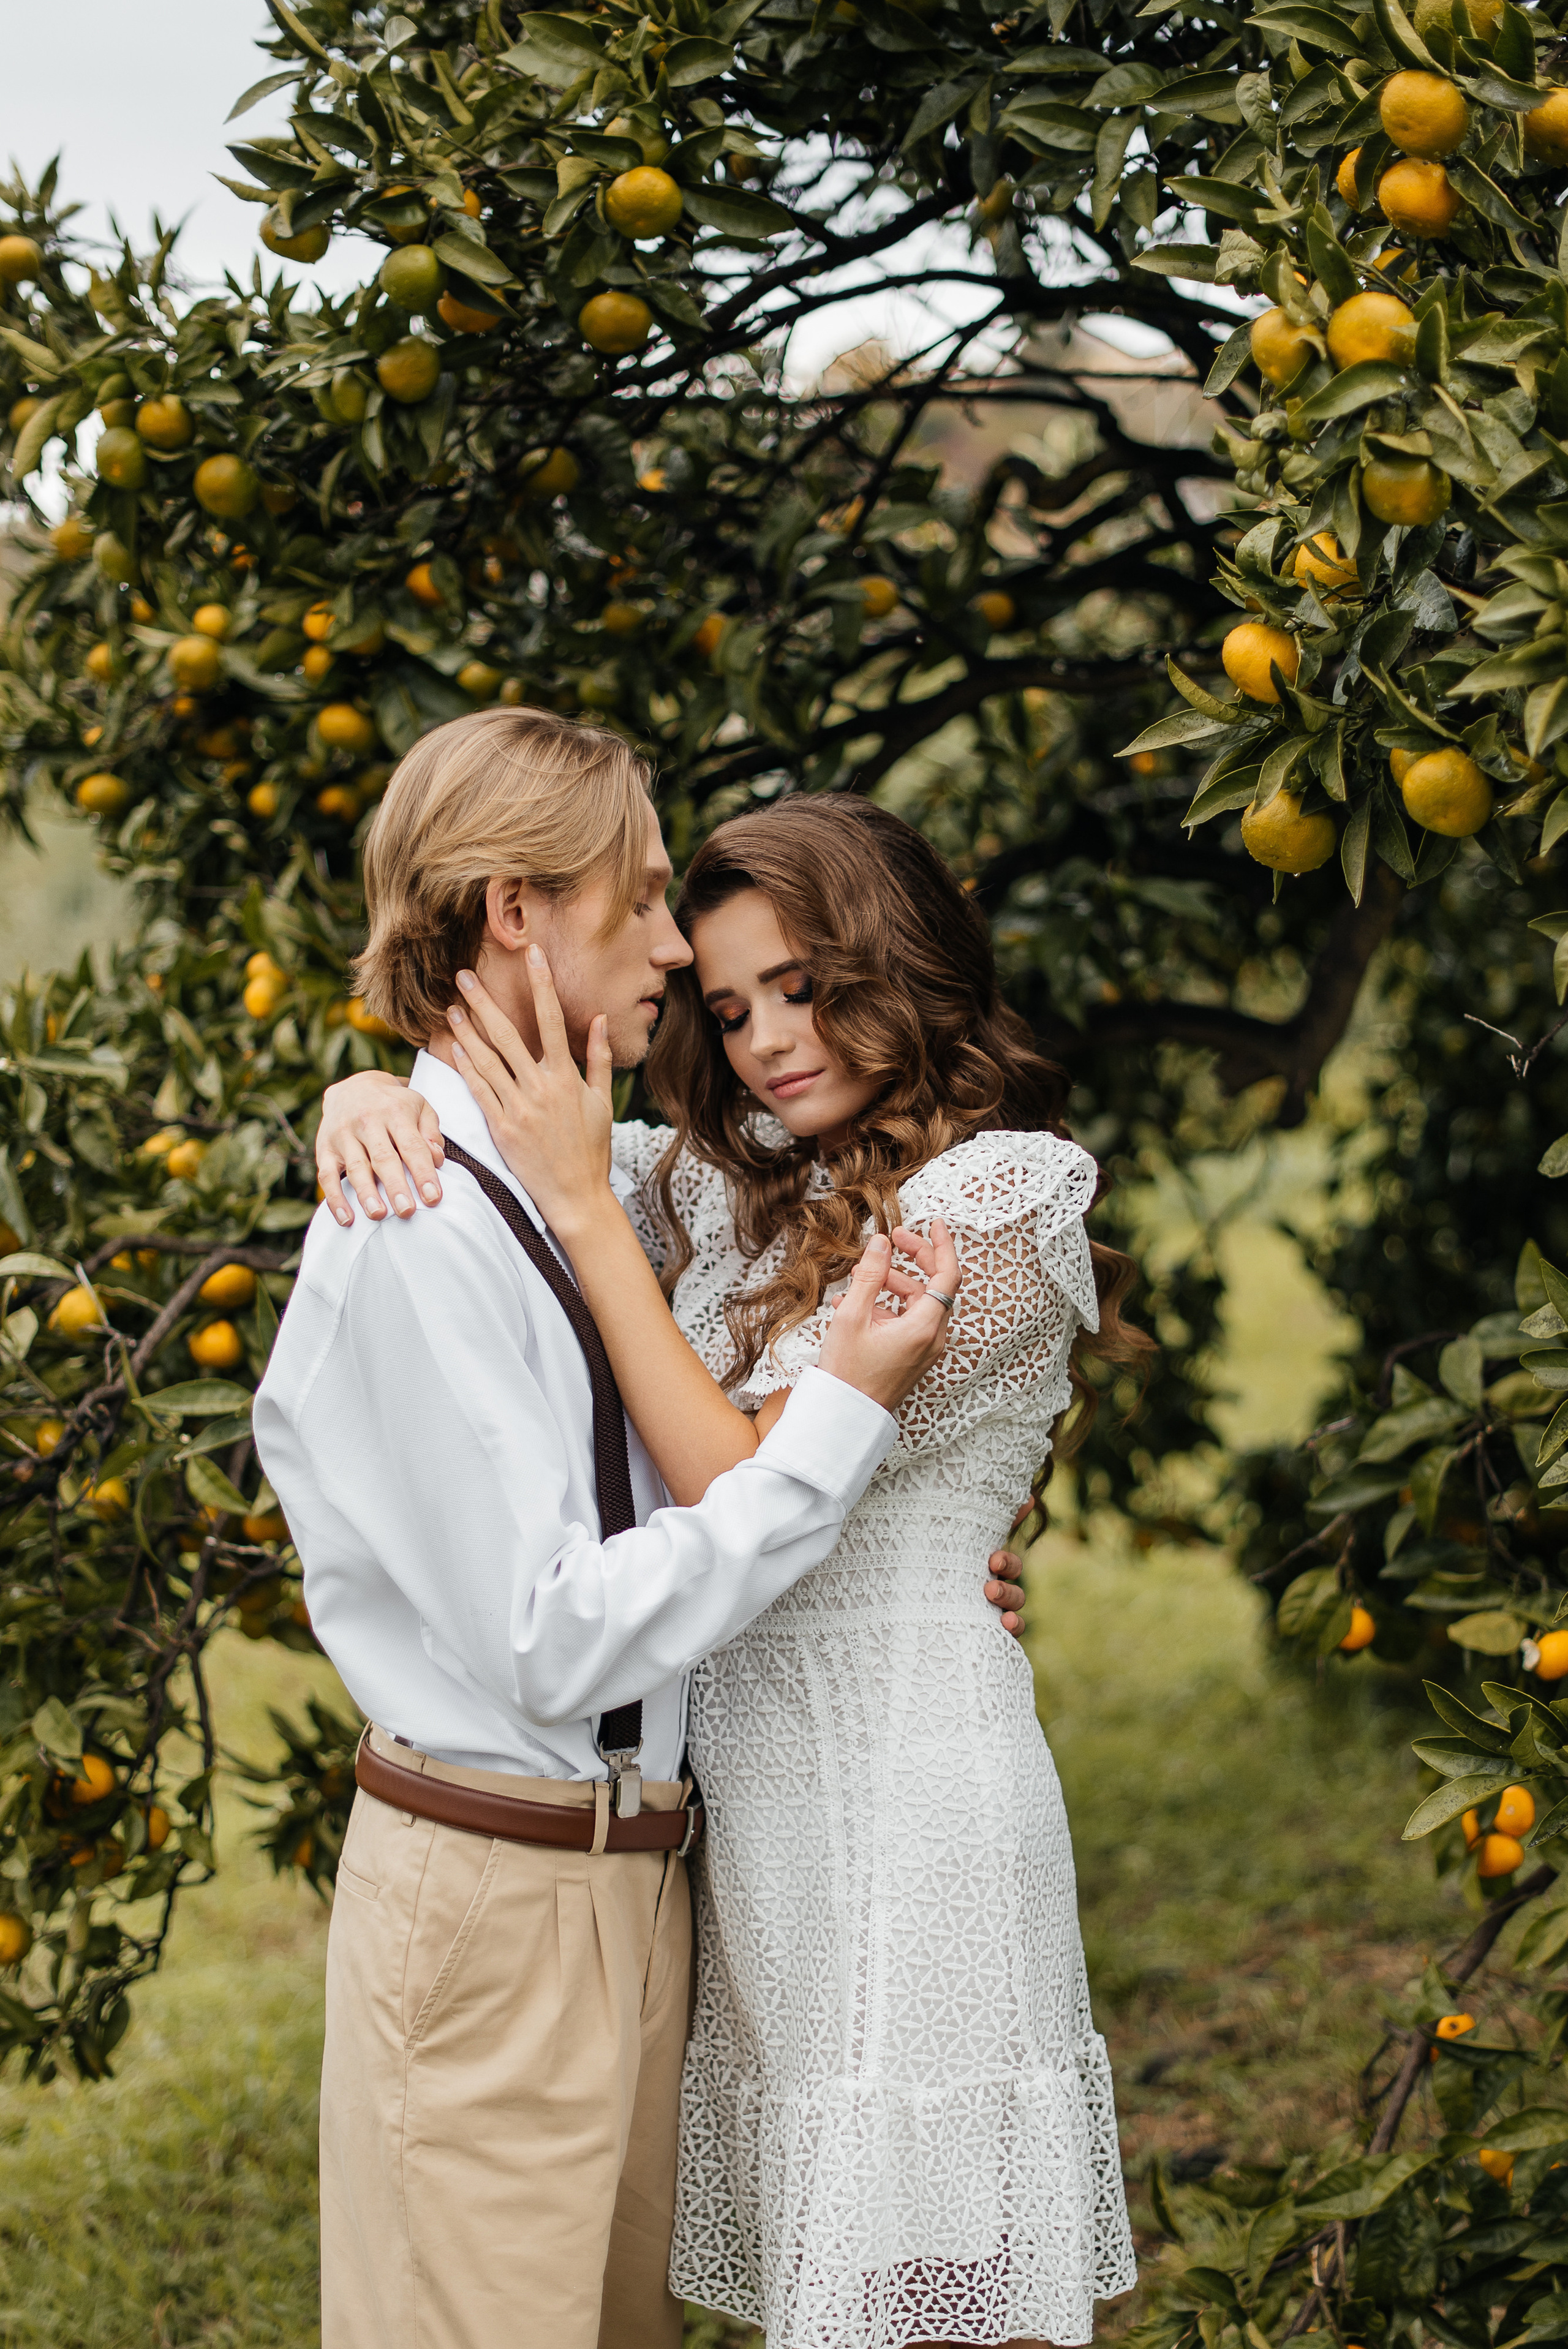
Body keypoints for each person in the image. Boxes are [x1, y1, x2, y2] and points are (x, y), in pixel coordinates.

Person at [318, 790, 1148, 2349]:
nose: (768, 1041)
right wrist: (366, 1093)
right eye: (728, 1006)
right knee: (837, 2294)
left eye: (804, 988)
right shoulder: (732, 1180)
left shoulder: (998, 1198)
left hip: (910, 1791)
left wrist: (587, 1205)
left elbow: (739, 1478)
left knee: (944, 2294)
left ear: (896, 958)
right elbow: (498, 1135)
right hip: (758, 1824)